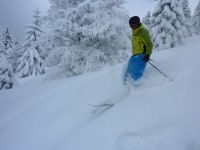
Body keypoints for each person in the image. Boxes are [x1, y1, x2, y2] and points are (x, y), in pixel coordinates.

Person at [124, 16, 153, 84]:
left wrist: (147, 55)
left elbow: (149, 44)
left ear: (138, 24)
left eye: (133, 25)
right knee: (127, 72)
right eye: (130, 26)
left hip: (142, 56)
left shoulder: (143, 32)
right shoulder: (134, 33)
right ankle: (125, 89)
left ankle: (138, 90)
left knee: (135, 72)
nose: (132, 27)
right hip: (134, 56)